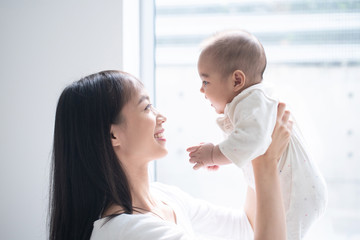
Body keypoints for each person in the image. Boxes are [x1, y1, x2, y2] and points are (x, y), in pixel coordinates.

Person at [49, 70, 292, 240]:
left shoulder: (165, 198)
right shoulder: (129, 231)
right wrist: (265, 161)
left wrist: (250, 146)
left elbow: (247, 227)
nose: (160, 116)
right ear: (113, 136)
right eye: (146, 107)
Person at [187, 30, 328, 240]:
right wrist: (222, 156)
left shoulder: (252, 101)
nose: (201, 90)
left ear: (237, 80)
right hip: (295, 190)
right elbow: (249, 143)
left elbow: (250, 142)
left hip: (297, 194)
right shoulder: (251, 103)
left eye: (206, 82)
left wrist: (214, 154)